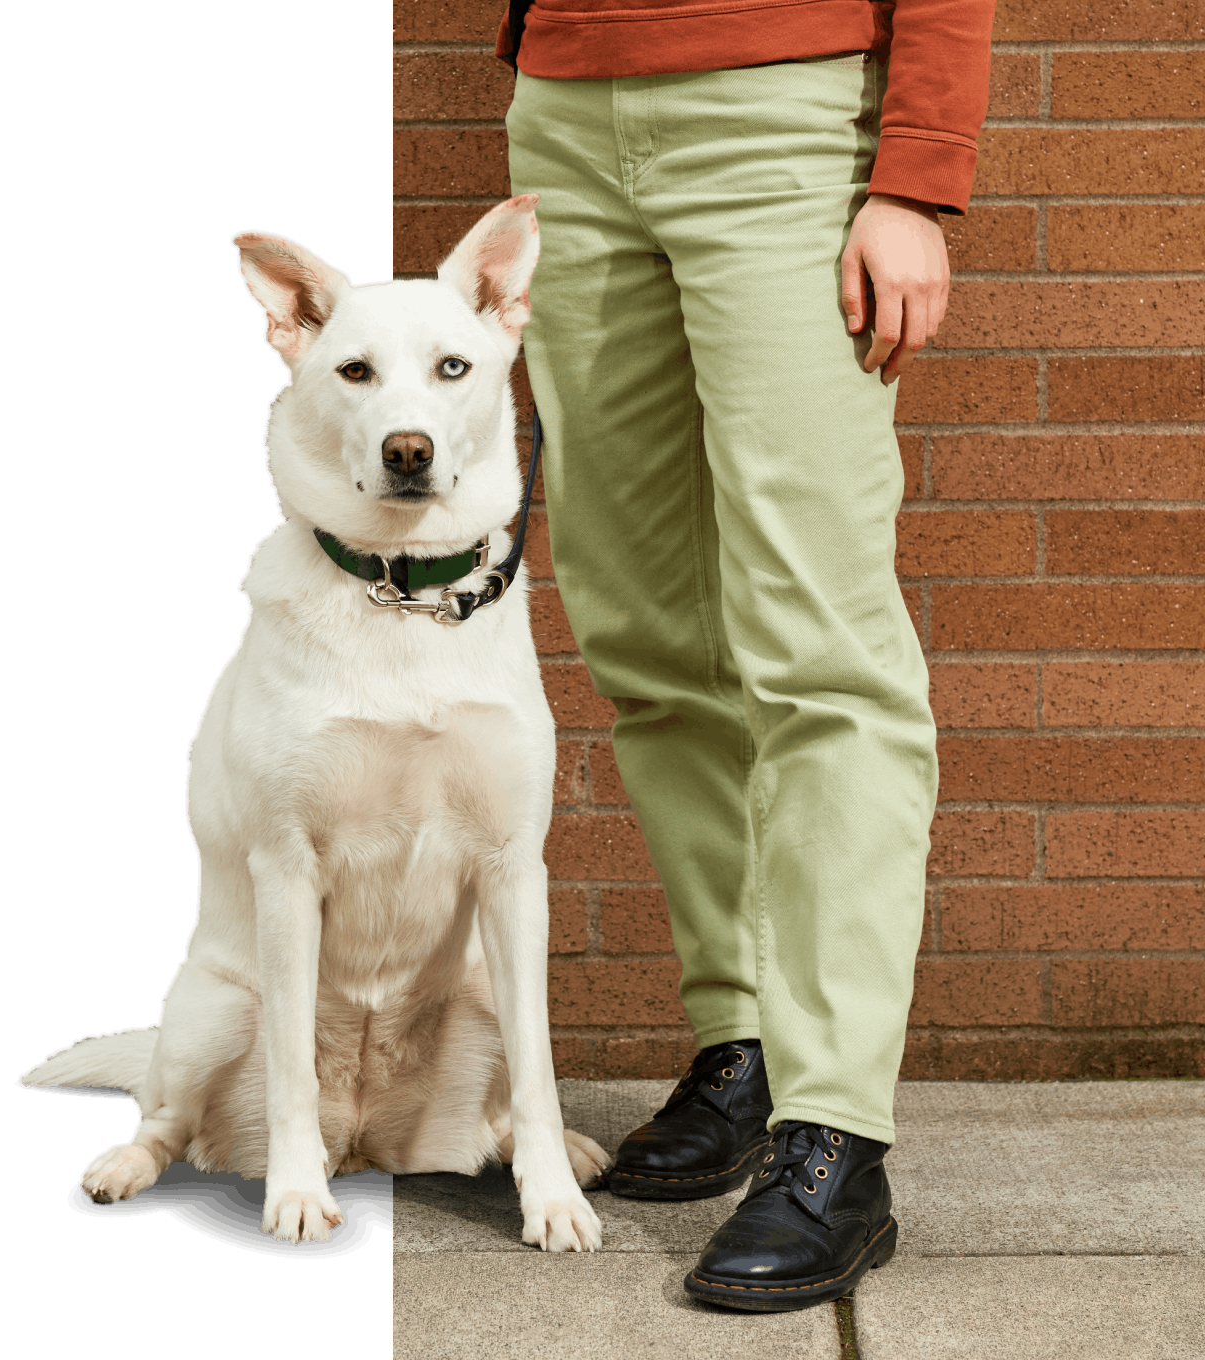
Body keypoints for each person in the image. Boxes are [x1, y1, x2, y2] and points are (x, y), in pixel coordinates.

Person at [497, 0, 996, 1310]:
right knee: (646, 639)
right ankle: (746, 1039)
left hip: (788, 112)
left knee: (823, 658)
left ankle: (838, 1138)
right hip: (566, 117)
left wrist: (917, 171)